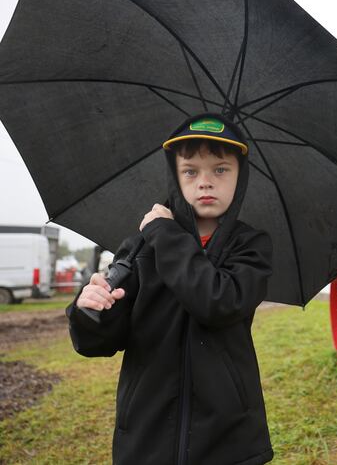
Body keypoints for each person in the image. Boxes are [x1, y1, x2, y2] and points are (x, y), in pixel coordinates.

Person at [66, 114, 274, 464]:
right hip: (147, 435)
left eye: (221, 170)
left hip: (228, 436)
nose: (205, 182)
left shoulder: (251, 246)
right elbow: (98, 343)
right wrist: (91, 311)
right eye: (191, 171)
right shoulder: (141, 246)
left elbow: (217, 302)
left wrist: (165, 235)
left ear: (241, 176)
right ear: (175, 178)